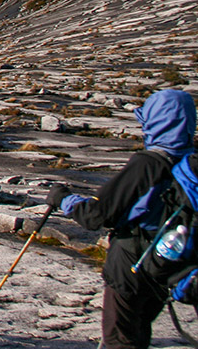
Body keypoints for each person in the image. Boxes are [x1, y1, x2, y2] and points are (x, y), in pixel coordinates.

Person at [49, 88, 196, 349]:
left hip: (130, 266)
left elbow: (96, 215)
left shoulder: (147, 163)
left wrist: (63, 200)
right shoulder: (192, 164)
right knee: (139, 332)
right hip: (166, 266)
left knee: (121, 340)